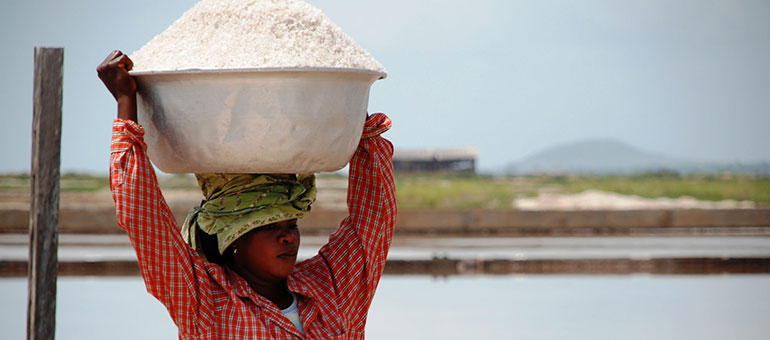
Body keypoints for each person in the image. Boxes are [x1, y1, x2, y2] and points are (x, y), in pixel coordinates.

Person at [97, 50, 397, 339]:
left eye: (291, 224)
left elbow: (374, 218)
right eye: (268, 226)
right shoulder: (206, 303)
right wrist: (126, 100)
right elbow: (146, 220)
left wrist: (346, 98)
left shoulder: (331, 290)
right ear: (233, 238)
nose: (288, 237)